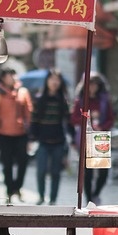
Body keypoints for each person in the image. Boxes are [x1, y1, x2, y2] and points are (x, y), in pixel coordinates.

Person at [0, 68, 33, 203]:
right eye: (7, 76)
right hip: (4, 134)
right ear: (2, 78)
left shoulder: (23, 92)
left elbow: (29, 113)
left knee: (23, 162)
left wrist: (31, 134)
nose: (11, 78)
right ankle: (9, 190)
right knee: (7, 164)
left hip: (21, 134)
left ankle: (18, 187)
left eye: (12, 75)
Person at [71, 72, 114, 205]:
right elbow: (73, 118)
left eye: (95, 84)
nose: (93, 87)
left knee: (103, 173)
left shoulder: (104, 100)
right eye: (90, 84)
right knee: (87, 172)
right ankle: (89, 199)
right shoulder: (81, 100)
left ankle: (96, 194)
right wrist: (86, 119)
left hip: (100, 137)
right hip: (86, 137)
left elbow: (111, 118)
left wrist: (102, 126)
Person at [28, 69, 71, 205]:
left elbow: (68, 122)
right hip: (43, 141)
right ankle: (41, 196)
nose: (54, 82)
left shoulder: (63, 100)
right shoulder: (40, 99)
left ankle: (53, 199)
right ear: (47, 81)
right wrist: (31, 138)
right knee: (40, 171)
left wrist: (74, 139)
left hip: (59, 141)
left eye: (57, 79)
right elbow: (34, 121)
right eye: (51, 79)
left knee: (56, 172)